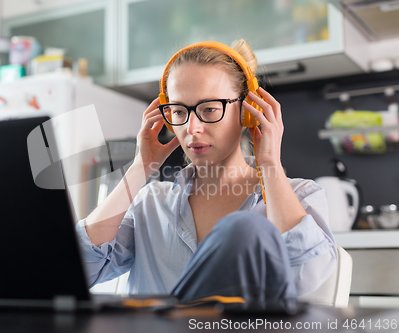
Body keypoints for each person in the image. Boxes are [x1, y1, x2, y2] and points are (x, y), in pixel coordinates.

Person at [75, 39, 337, 303]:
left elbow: (306, 275)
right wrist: (139, 169)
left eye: (209, 109)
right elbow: (80, 270)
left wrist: (269, 164)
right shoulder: (150, 204)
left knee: (244, 229)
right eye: (179, 111)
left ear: (248, 112)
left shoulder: (301, 196)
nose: (192, 127)